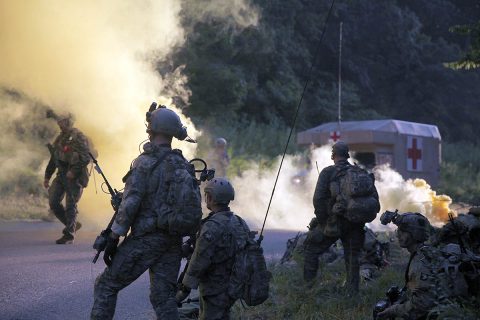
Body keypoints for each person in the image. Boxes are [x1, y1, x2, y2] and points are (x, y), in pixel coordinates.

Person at [91, 106, 201, 320]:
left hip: (146, 240)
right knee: (164, 299)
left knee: (106, 286)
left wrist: (114, 237)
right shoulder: (183, 164)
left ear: (152, 130)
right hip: (172, 242)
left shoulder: (145, 163)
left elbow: (130, 203)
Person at [303, 141, 380, 293]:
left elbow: (318, 199)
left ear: (333, 155)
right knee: (353, 257)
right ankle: (352, 293)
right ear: (347, 155)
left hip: (335, 221)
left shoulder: (328, 172)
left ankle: (308, 290)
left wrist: (323, 221)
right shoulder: (360, 172)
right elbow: (375, 201)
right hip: (356, 224)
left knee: (311, 248)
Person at [176, 177, 251, 320]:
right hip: (234, 285)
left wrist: (183, 291)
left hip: (214, 288)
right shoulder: (240, 222)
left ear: (210, 197)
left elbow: (198, 262)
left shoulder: (211, 226)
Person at [376, 211, 471, 319]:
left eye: (403, 231)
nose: (398, 234)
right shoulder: (428, 251)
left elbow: (421, 305)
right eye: (399, 230)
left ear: (415, 233)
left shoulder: (420, 261)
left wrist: (394, 310)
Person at [44, 112, 90, 244]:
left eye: (62, 121)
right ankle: (73, 225)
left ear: (69, 122)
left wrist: (73, 172)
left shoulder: (79, 137)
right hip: (61, 174)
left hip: (75, 176)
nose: (59, 124)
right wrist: (47, 176)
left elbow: (85, 157)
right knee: (53, 201)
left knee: (71, 204)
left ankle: (69, 234)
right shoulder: (60, 138)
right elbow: (54, 159)